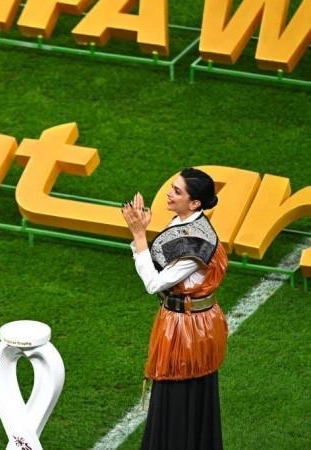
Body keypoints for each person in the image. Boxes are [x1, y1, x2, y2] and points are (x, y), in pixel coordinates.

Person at [121, 168, 228, 450]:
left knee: (176, 395)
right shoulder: (184, 223)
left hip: (188, 329)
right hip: (189, 321)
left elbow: (154, 282)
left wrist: (139, 235)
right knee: (188, 398)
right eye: (172, 187)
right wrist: (140, 239)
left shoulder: (197, 241)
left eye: (177, 191)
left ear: (195, 203)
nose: (169, 193)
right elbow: (157, 264)